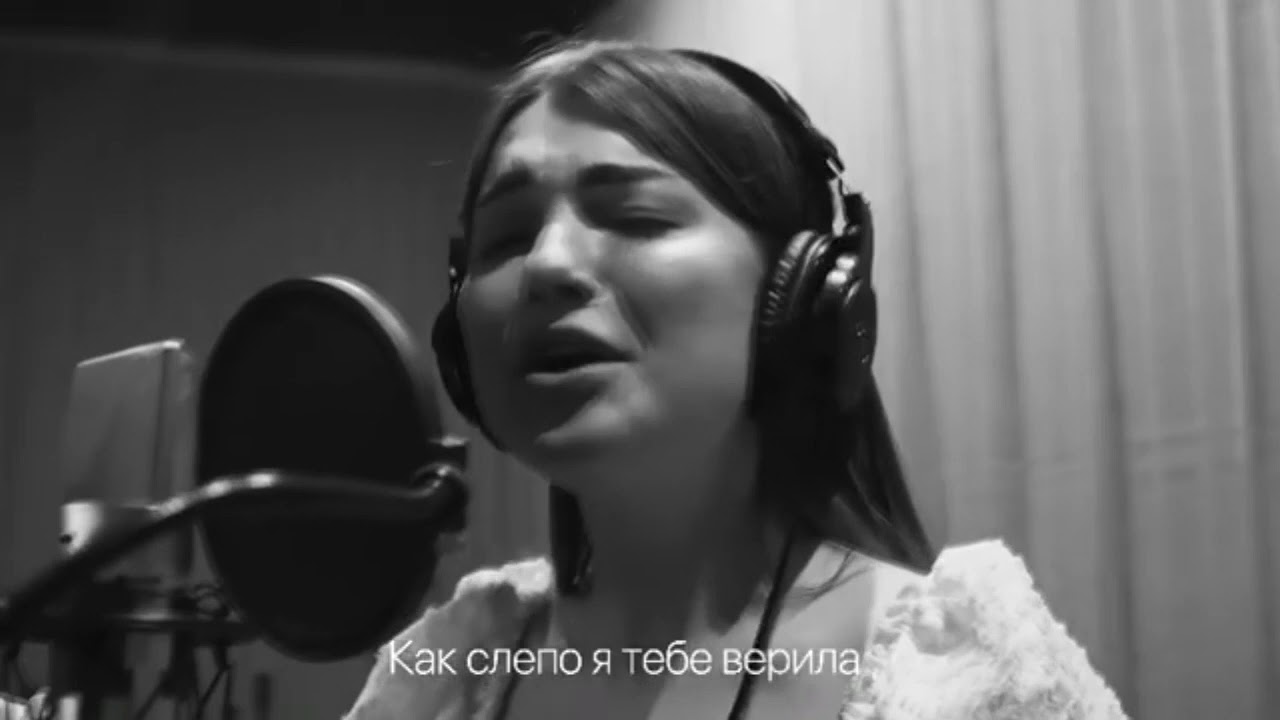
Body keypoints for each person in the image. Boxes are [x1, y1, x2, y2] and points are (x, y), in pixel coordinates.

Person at [345, 39, 1129, 720]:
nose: (546, 266)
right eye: (508, 237)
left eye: (635, 217)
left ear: (803, 297)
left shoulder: (967, 675)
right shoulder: (443, 675)